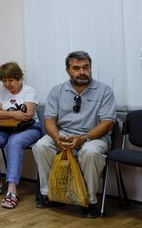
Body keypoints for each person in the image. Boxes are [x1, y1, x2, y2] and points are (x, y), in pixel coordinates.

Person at [32, 51, 116, 218]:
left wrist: (84, 138)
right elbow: (49, 120)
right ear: (67, 70)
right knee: (41, 146)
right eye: (76, 68)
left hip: (94, 136)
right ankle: (49, 194)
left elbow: (107, 123)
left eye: (86, 67)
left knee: (90, 152)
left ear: (90, 68)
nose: (82, 72)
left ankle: (89, 202)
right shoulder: (57, 91)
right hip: (64, 134)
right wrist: (56, 137)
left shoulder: (104, 91)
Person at [0, 62, 42, 209]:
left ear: (18, 78)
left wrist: (2, 114)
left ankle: (12, 190)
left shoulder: (29, 91)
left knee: (14, 142)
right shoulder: (2, 92)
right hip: (6, 128)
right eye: (4, 80)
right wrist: (14, 114)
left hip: (29, 128)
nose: (7, 84)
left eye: (11, 80)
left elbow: (27, 115)